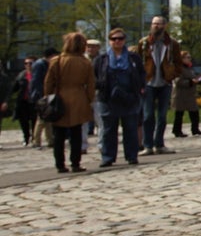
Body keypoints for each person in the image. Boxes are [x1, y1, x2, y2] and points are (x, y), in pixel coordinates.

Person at [43, 31, 96, 173]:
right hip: (79, 97)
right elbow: (91, 85)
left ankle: (60, 164)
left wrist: (48, 97)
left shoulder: (57, 60)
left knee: (59, 134)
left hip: (60, 97)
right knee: (76, 133)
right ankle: (75, 163)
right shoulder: (85, 62)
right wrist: (90, 100)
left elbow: (48, 82)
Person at [95, 27, 145, 167]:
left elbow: (142, 74)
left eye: (120, 39)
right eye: (114, 39)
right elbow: (95, 76)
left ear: (124, 40)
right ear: (109, 41)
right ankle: (108, 157)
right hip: (108, 98)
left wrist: (139, 89)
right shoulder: (102, 59)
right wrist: (100, 86)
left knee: (130, 128)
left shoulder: (133, 58)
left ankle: (131, 155)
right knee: (109, 130)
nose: (117, 41)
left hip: (129, 97)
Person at [136, 15, 182, 155]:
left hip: (164, 82)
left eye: (160, 24)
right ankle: (148, 145)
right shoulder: (144, 43)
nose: (157, 26)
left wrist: (172, 75)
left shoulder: (171, 44)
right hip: (149, 82)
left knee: (162, 116)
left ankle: (159, 144)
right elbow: (138, 61)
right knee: (148, 115)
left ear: (165, 26)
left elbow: (178, 62)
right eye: (154, 23)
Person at [171, 52, 201, 137]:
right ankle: (177, 131)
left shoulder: (190, 68)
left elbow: (194, 76)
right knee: (179, 114)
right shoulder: (178, 68)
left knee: (194, 112)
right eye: (187, 57)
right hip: (180, 95)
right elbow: (178, 81)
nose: (189, 59)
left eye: (190, 57)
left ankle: (195, 129)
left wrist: (200, 79)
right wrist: (190, 82)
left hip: (190, 95)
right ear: (182, 59)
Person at [28, 47, 57, 148]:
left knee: (48, 118)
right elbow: (36, 81)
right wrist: (43, 94)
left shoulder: (45, 64)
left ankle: (50, 139)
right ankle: (36, 141)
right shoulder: (40, 64)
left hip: (46, 94)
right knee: (41, 119)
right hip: (40, 95)